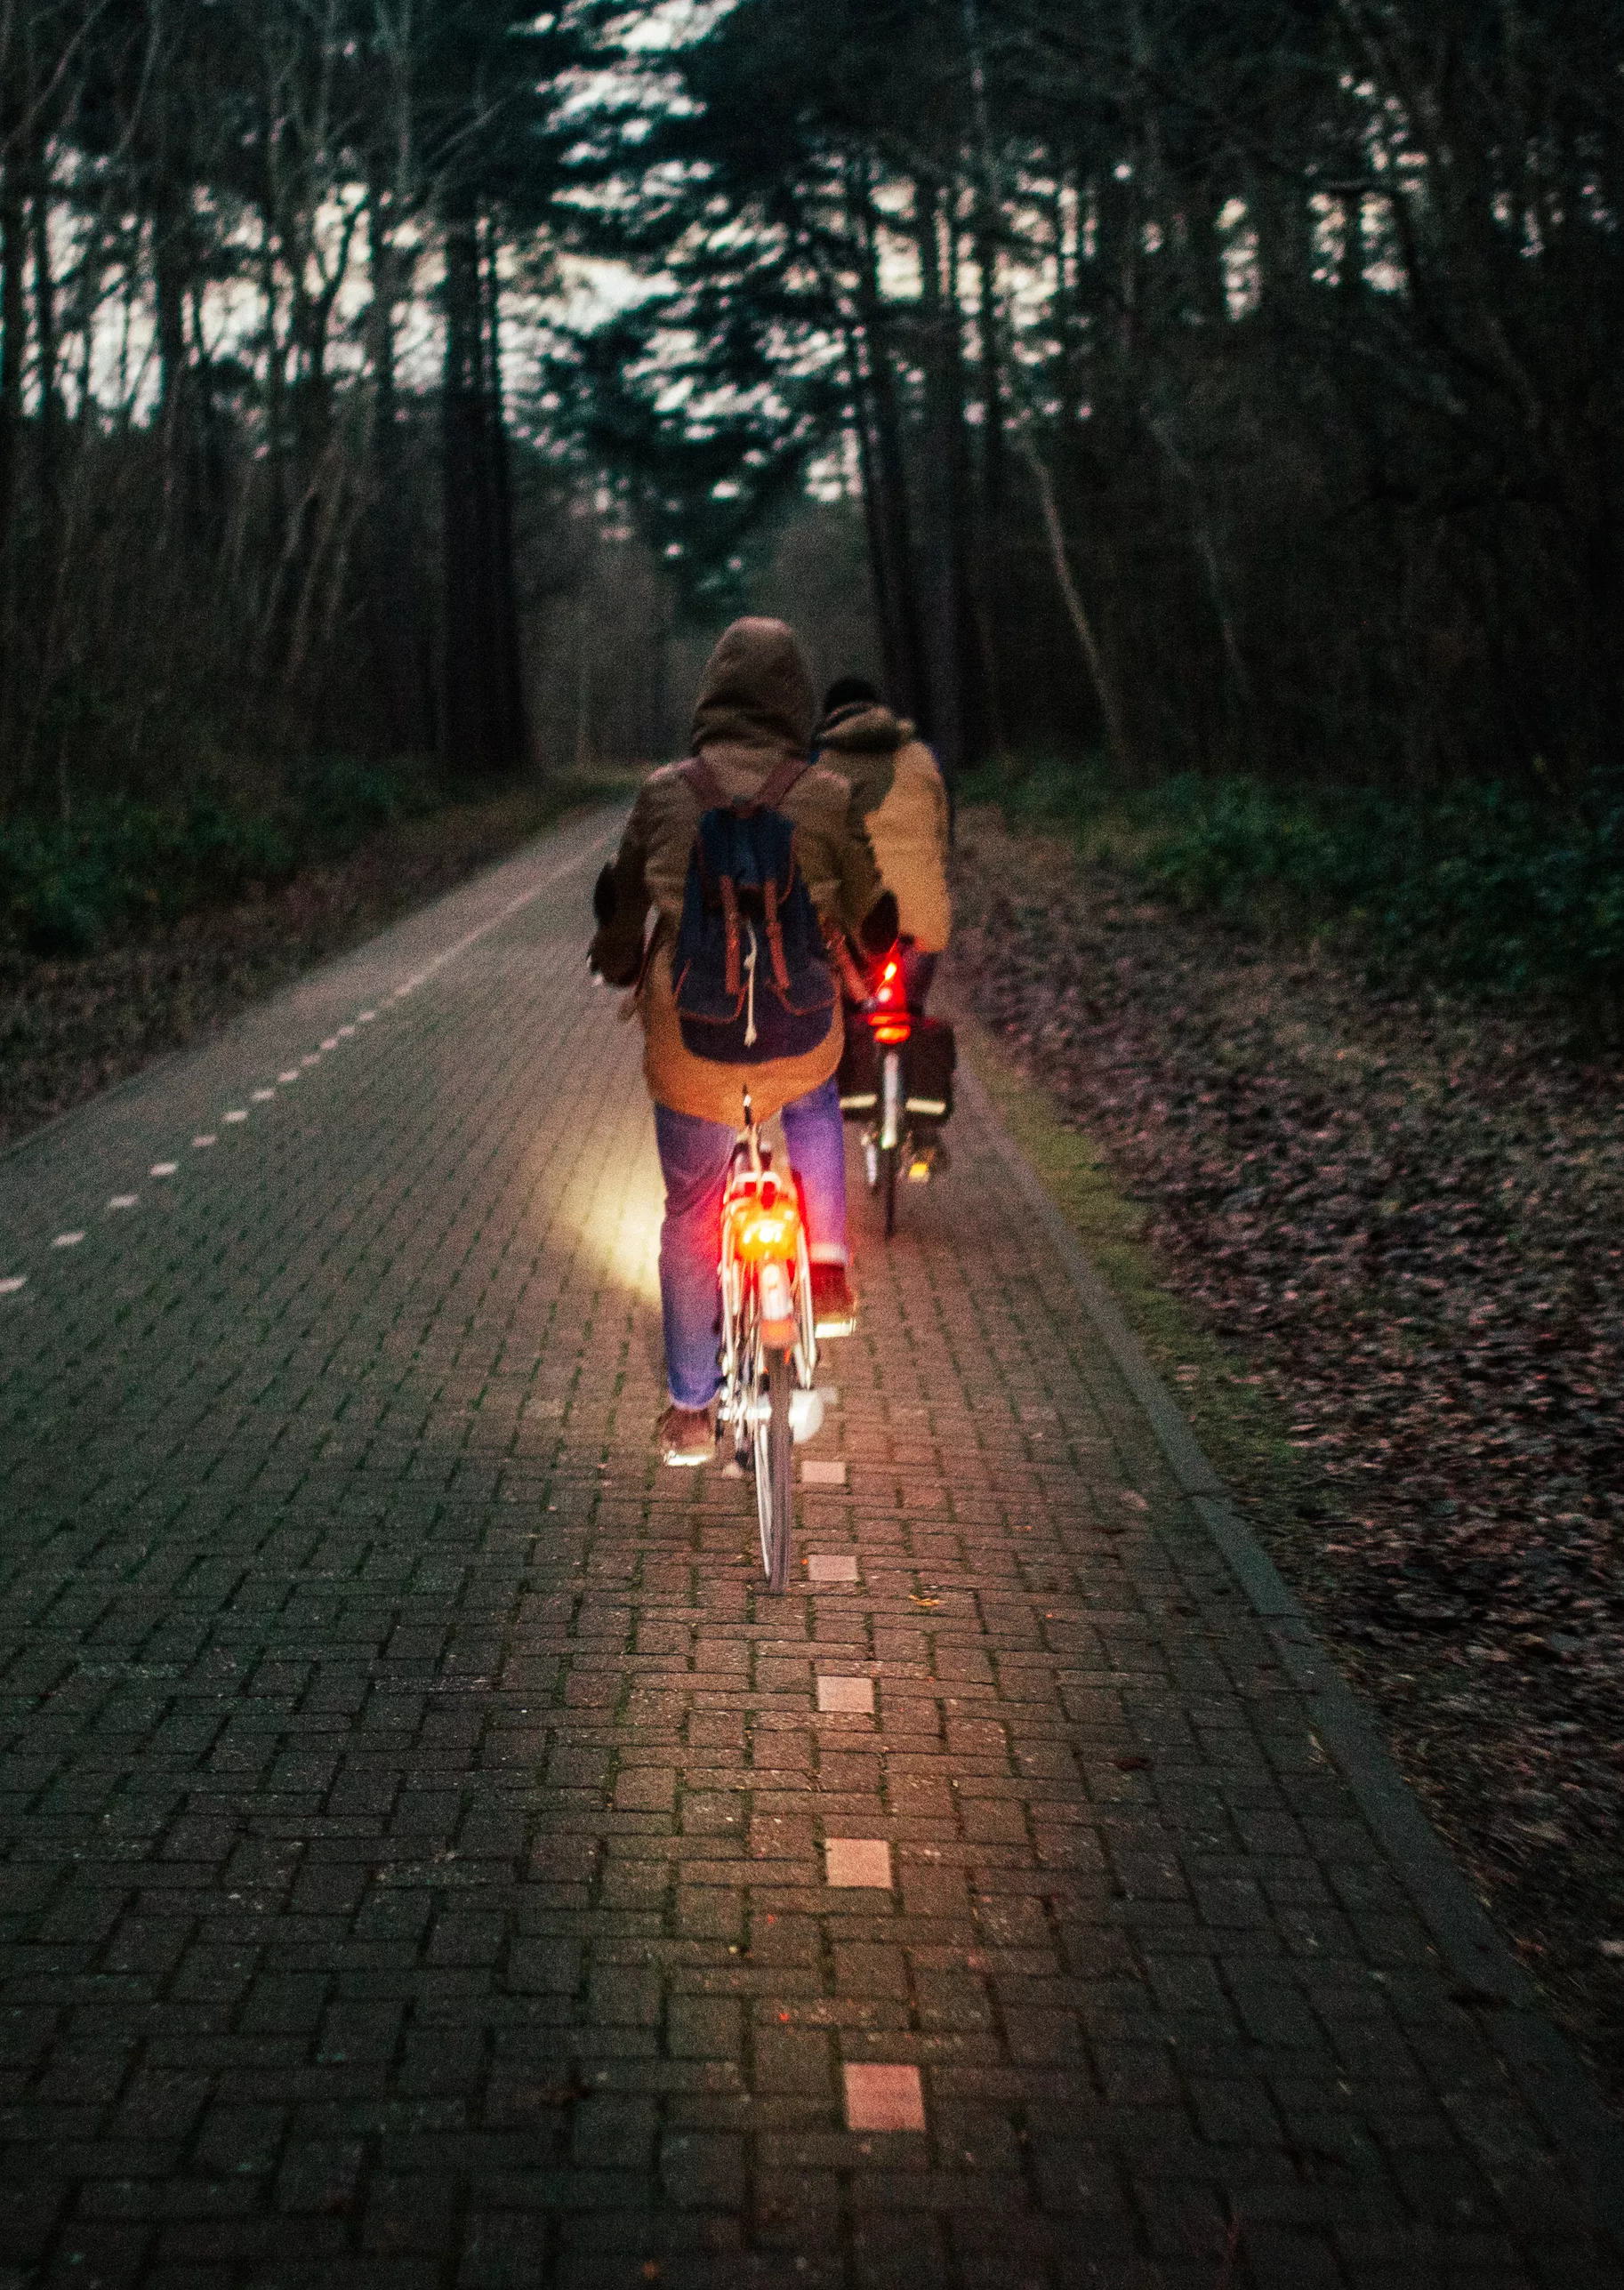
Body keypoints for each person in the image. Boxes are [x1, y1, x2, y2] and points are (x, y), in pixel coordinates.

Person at [588, 618, 887, 1466]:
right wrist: (869, 961)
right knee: (814, 1096)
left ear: (712, 694)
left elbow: (621, 908)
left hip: (693, 1048)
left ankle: (691, 1408)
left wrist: (619, 961)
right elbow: (871, 908)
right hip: (800, 1034)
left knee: (691, 1212)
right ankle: (825, 1272)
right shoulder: (825, 794)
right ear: (795, 698)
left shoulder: (663, 793)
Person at [816, 676, 951, 1013]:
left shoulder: (822, 767)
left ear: (831, 718)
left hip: (857, 927)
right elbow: (943, 839)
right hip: (922, 925)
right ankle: (914, 1027)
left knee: (846, 1019)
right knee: (912, 1012)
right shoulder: (922, 757)